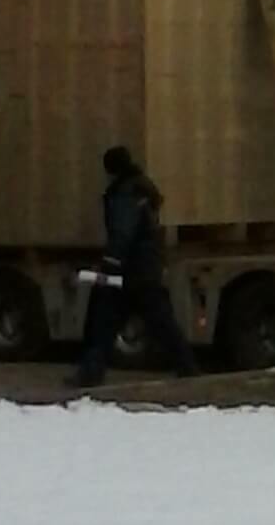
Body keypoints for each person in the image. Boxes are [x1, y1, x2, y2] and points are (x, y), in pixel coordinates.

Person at [68, 146, 198, 390]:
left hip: (128, 271)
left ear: (112, 170)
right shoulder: (142, 189)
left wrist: (110, 263)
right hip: (147, 268)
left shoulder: (124, 194)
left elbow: (122, 232)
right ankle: (187, 367)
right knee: (162, 323)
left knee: (103, 324)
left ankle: (90, 374)